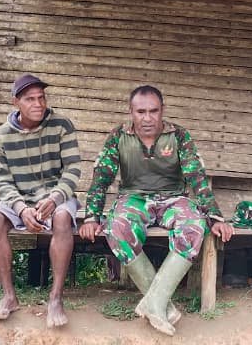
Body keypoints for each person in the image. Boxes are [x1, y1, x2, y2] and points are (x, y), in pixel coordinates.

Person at [78, 85, 234, 335]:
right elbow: (101, 178)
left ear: (163, 110)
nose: (147, 118)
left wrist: (215, 217)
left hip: (173, 198)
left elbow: (196, 177)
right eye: (141, 112)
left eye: (153, 111)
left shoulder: (179, 136)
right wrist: (91, 217)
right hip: (134, 198)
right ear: (131, 112)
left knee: (194, 226)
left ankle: (155, 303)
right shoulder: (119, 136)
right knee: (116, 228)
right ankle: (163, 306)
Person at [0, 74, 83, 328]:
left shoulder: (61, 126)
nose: (38, 104)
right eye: (30, 99)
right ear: (16, 102)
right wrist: (20, 209)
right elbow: (2, 182)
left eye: (41, 98)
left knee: (63, 217)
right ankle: (9, 296)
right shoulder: (1, 137)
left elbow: (72, 169)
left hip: (56, 196)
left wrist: (56, 197)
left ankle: (55, 298)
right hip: (20, 199)